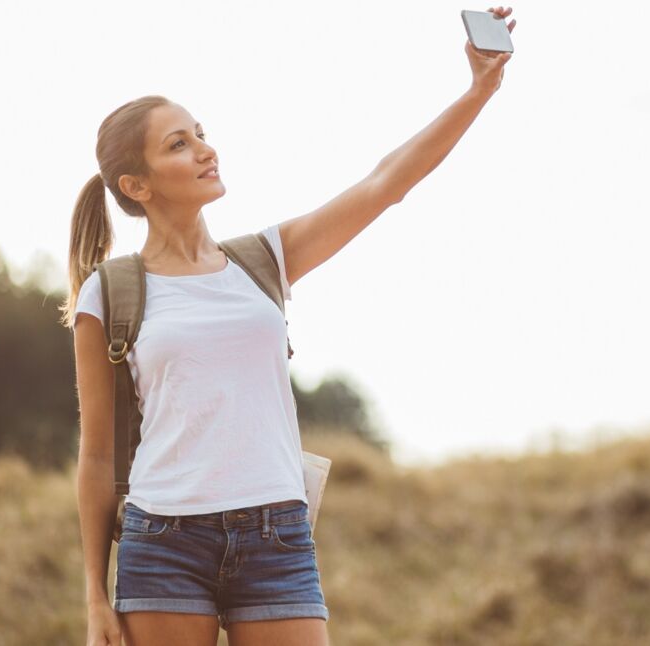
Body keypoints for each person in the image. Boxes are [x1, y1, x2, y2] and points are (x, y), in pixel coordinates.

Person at [59, 7, 516, 646]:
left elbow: (386, 184)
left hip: (277, 534)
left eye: (199, 132)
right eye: (178, 144)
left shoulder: (263, 259)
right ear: (136, 185)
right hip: (163, 537)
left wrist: (479, 91)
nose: (205, 149)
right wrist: (92, 594)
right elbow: (99, 455)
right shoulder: (108, 291)